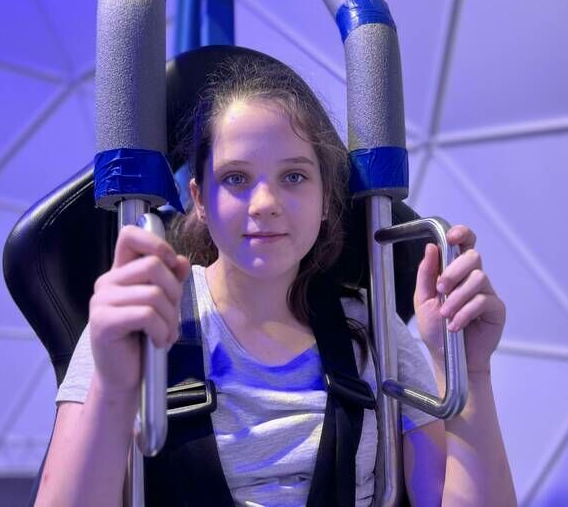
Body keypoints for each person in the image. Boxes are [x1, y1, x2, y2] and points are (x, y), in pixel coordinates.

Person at [35, 55, 517, 506]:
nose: (265, 203)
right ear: (200, 200)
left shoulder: (373, 333)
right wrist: (113, 387)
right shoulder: (137, 322)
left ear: (326, 197)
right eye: (236, 178)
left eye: (294, 177)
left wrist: (468, 371)